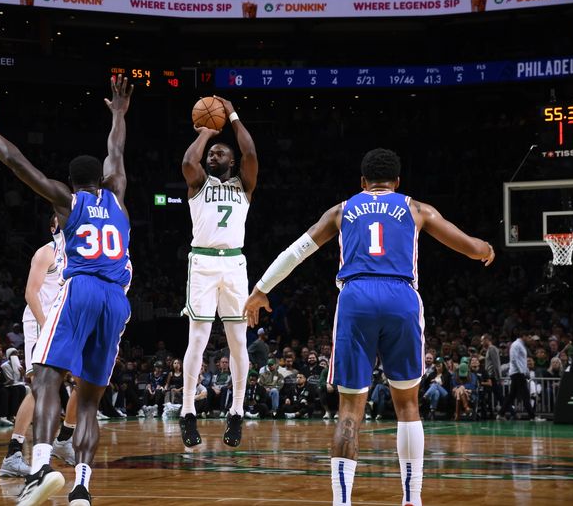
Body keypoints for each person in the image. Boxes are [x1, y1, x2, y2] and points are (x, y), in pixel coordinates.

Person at [243, 148, 494, 506]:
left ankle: (342, 502)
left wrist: (260, 290)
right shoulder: (416, 208)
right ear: (397, 182)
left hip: (356, 296)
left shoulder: (343, 209)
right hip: (401, 296)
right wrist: (486, 249)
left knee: (349, 410)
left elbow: (297, 251)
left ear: (363, 182)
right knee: (408, 406)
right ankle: (411, 499)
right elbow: (469, 247)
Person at [0, 74, 133, 506]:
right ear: (101, 180)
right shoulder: (117, 195)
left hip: (81, 287)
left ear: (71, 182)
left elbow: (17, 163)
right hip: (117, 300)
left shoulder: (68, 201)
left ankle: (41, 467)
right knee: (88, 400)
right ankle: (82, 487)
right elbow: (116, 152)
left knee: (46, 378)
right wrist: (118, 114)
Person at [178, 96, 258, 449]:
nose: (213, 156)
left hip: (235, 264)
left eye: (220, 152)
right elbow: (187, 161)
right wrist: (205, 132)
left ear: (232, 161)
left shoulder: (244, 185)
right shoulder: (198, 184)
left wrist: (234, 117)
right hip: (203, 263)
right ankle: (187, 412)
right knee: (197, 339)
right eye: (212, 153)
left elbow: (252, 155)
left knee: (239, 341)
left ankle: (237, 412)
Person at [0, 215, 78, 478]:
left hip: (64, 325)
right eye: (62, 220)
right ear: (53, 227)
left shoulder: (79, 255)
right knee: (39, 389)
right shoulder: (46, 252)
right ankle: (14, 453)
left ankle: (65, 438)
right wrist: (47, 326)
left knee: (85, 379)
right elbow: (30, 293)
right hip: (40, 322)